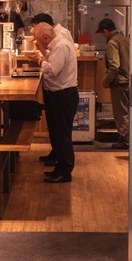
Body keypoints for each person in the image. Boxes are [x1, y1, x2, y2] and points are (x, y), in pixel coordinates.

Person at [29, 22, 78, 183]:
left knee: (62, 134)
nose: (37, 42)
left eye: (38, 40)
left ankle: (65, 172)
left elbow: (52, 69)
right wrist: (42, 51)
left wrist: (38, 60)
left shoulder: (61, 46)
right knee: (56, 132)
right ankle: (59, 168)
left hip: (63, 95)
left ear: (45, 37)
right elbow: (53, 61)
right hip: (57, 94)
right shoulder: (56, 45)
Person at [96, 18, 130, 150]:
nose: (102, 35)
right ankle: (128, 138)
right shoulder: (124, 39)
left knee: (121, 112)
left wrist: (106, 81)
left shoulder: (112, 42)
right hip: (129, 80)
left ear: (105, 31)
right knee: (128, 111)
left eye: (101, 33)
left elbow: (114, 66)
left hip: (120, 82)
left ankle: (125, 140)